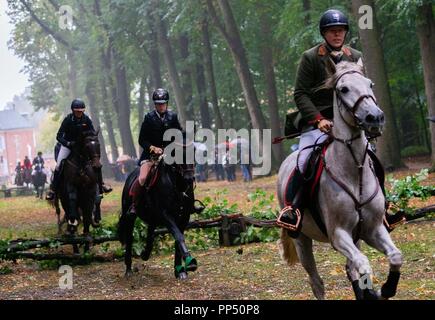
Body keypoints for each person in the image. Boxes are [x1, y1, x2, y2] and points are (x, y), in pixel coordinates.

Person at [276, 9, 403, 236]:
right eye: (332, 31)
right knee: (304, 160)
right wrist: (318, 120)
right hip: (318, 122)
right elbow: (301, 94)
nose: (337, 35)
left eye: (341, 31)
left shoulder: (355, 55)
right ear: (324, 33)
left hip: (350, 121)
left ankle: (384, 208)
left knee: (371, 158)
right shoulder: (310, 57)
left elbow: (362, 89)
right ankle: (292, 209)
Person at [130, 88, 202, 214]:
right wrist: (153, 148)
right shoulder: (149, 118)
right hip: (151, 156)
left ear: (166, 103)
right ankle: (135, 205)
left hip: (170, 154)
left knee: (187, 175)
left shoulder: (172, 116)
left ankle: (190, 204)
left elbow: (178, 134)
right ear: (155, 104)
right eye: (159, 104)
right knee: (142, 178)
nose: (161, 106)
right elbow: (142, 140)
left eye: (163, 103)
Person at [46, 99, 112, 200]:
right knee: (59, 164)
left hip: (83, 146)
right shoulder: (68, 120)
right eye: (77, 111)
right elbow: (59, 136)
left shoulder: (86, 119)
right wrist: (68, 143)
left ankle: (101, 185)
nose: (79, 113)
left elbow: (92, 134)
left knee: (96, 162)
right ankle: (53, 190)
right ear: (73, 111)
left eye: (81, 111)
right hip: (68, 146)